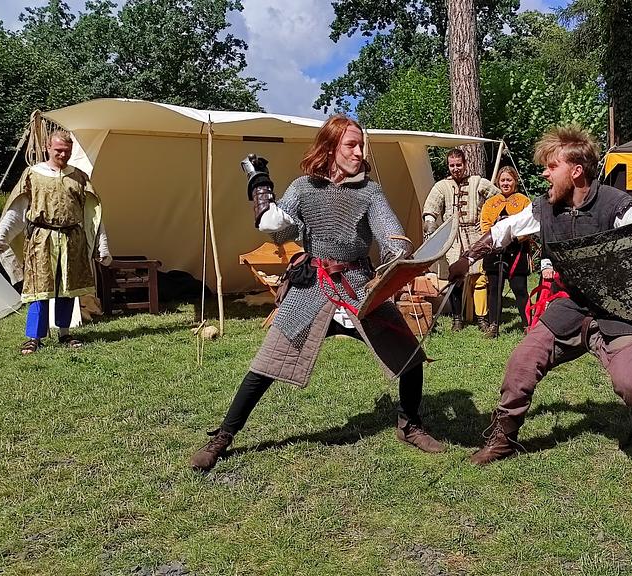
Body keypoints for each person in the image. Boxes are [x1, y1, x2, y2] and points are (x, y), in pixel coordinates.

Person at [190, 115, 444, 472]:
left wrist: (397, 256)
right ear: (330, 148)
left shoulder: (369, 192)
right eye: (351, 145)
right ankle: (223, 437)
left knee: (409, 355)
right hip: (312, 287)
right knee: (265, 366)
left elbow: (391, 236)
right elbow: (278, 230)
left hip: (358, 286)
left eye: (361, 145)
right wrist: (260, 192)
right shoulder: (304, 188)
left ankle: (410, 425)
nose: (359, 152)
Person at [448, 125, 632, 484]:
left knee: (629, 382)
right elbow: (506, 230)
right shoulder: (546, 209)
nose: (545, 174)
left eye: (552, 166)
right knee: (522, 361)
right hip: (572, 305)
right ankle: (503, 439)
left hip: (618, 310)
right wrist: (467, 258)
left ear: (576, 171)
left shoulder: (615, 206)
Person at [0, 130, 112, 354]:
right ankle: (34, 337)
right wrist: (1, 237)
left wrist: (102, 245)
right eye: (59, 150)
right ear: (48, 147)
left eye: (67, 151)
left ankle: (65, 333)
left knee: (67, 289)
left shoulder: (79, 177)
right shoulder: (32, 175)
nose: (63, 155)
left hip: (72, 240)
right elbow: (18, 209)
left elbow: (93, 214)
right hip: (41, 240)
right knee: (39, 289)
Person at [422, 148, 499, 331]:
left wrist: (490, 219)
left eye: (458, 164)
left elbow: (498, 200)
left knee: (479, 278)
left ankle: (482, 319)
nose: (455, 168)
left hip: (476, 235)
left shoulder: (478, 182)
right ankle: (457, 319)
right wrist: (430, 223)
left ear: (465, 164)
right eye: (452, 165)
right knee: (455, 278)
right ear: (448, 166)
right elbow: (431, 208)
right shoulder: (442, 186)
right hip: (453, 238)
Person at [479, 166, 532, 338]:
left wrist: (515, 238)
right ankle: (493, 325)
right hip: (495, 250)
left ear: (515, 181)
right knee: (494, 289)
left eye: (509, 180)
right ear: (498, 182)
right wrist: (495, 240)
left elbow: (529, 224)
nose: (506, 183)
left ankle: (528, 325)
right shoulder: (490, 203)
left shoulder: (524, 201)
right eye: (503, 180)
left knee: (520, 289)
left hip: (517, 251)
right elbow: (485, 226)